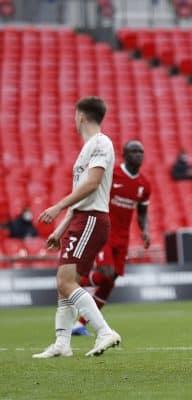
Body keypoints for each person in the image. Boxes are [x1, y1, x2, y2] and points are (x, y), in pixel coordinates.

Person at [33, 96, 121, 358]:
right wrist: (60, 230)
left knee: (66, 281)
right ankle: (62, 343)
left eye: (74, 116)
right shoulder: (87, 148)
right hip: (82, 218)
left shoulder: (101, 143)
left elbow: (92, 184)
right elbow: (80, 194)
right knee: (64, 284)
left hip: (92, 218)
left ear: (80, 116)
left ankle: (104, 331)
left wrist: (57, 207)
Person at [72, 140, 151, 336]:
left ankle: (79, 324)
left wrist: (145, 230)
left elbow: (142, 212)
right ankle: (72, 284)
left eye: (141, 151)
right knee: (106, 273)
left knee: (110, 281)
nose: (138, 155)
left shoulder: (144, 184)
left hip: (122, 239)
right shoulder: (111, 174)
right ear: (124, 154)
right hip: (103, 232)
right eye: (134, 151)